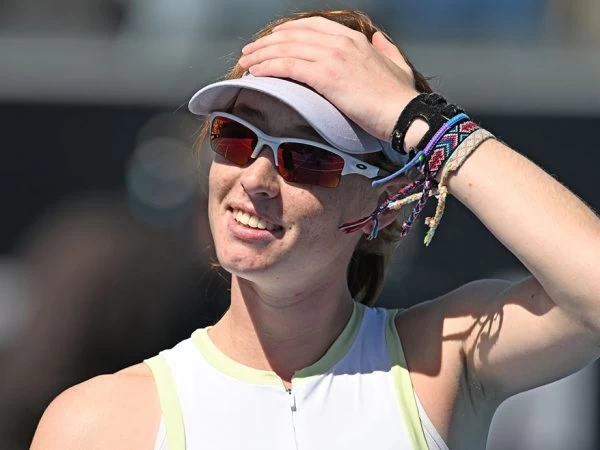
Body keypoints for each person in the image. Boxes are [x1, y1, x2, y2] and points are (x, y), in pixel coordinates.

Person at [30, 9, 600, 450]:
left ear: (388, 202)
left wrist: (421, 120)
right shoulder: (96, 422)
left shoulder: (442, 360)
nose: (255, 178)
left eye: (307, 158)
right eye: (236, 137)